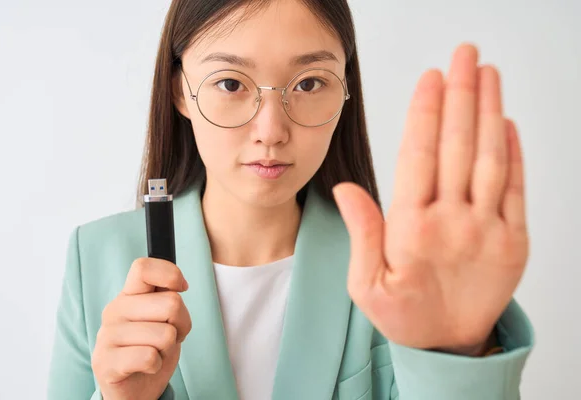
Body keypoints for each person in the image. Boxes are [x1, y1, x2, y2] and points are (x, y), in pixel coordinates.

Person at [47, 0, 534, 399]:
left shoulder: (404, 269)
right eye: (231, 83)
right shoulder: (96, 257)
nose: (271, 132)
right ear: (180, 90)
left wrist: (459, 354)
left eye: (309, 84)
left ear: (345, 90)